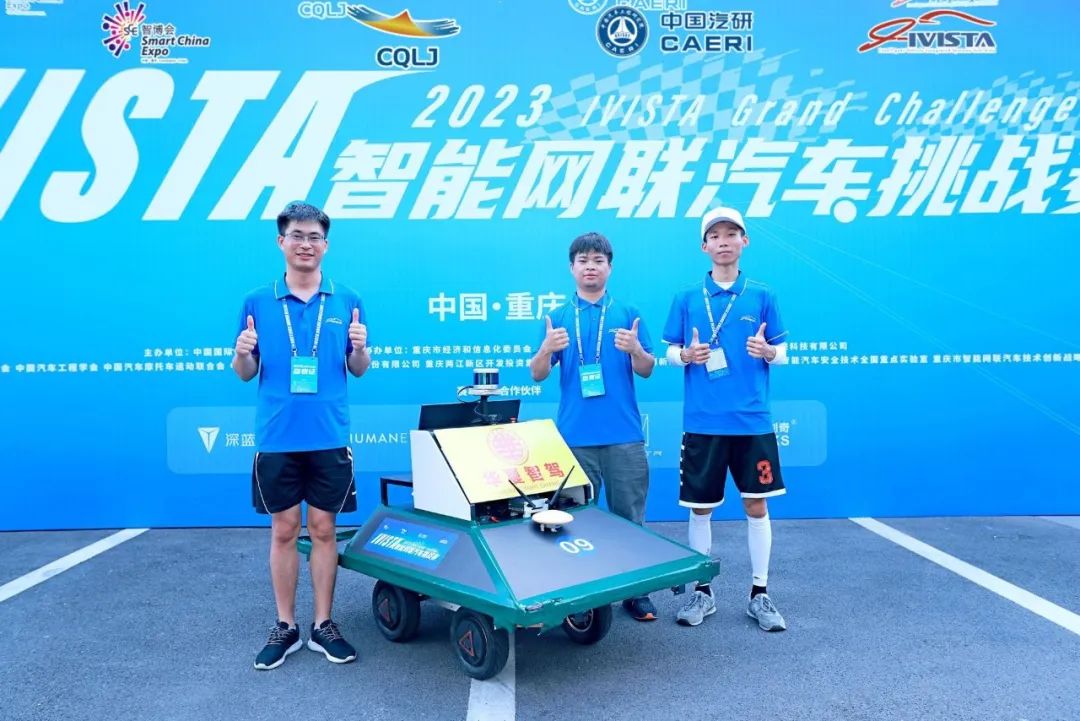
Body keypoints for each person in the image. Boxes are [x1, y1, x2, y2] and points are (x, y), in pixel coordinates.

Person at [232, 201, 371, 669]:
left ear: (325, 245)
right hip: (277, 438)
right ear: (281, 241)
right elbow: (244, 373)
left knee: (325, 530)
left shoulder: (347, 299)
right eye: (297, 235)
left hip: (329, 436)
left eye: (314, 237)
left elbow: (358, 368)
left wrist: (360, 349)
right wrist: (243, 353)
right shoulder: (257, 301)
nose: (306, 244)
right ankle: (286, 625)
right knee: (284, 529)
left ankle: (323, 624)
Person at [661, 206, 790, 631]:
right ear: (704, 246)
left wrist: (769, 352)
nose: (723, 242)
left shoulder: (763, 294)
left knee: (756, 505)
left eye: (731, 234)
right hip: (703, 422)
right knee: (701, 510)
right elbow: (668, 352)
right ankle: (703, 591)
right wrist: (686, 355)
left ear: (744, 241)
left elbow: (784, 352)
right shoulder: (685, 297)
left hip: (752, 422)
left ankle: (760, 594)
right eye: (714, 236)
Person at [529, 231, 658, 621]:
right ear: (572, 268)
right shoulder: (557, 318)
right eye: (583, 260)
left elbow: (647, 369)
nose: (590, 267)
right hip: (574, 439)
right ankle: (580, 595)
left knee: (630, 520)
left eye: (598, 261)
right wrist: (546, 349)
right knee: (575, 522)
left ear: (609, 268)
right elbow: (537, 374)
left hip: (623, 437)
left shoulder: (628, 314)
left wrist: (636, 349)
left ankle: (636, 592)